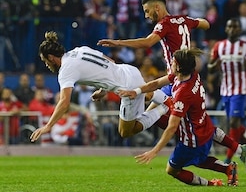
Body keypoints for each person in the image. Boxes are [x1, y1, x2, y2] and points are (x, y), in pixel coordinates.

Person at [98, 0, 246, 174]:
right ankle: (240, 149)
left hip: (177, 81)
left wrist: (117, 42)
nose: (146, 16)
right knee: (196, 122)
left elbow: (148, 43)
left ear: (158, 7)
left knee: (147, 118)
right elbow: (205, 23)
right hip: (189, 77)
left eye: (147, 11)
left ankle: (179, 134)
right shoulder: (182, 19)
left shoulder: (163, 24)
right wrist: (195, 22)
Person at [119, 48, 238, 186]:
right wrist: (137, 91)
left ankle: (213, 183)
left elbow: (171, 127)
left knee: (172, 169)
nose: (170, 63)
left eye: (173, 62)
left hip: (192, 137)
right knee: (199, 159)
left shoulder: (183, 93)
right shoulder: (190, 75)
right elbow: (156, 83)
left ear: (179, 67)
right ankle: (228, 168)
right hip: (201, 127)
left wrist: (154, 151)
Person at [29, 31, 172, 142]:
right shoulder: (79, 50)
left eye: (45, 60)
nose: (46, 64)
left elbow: (64, 102)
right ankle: (166, 99)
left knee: (126, 131)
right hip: (129, 70)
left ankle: (165, 106)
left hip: (127, 87)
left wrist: (48, 126)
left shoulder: (65, 70)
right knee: (144, 94)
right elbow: (109, 61)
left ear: (51, 57)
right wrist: (104, 90)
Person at [208, 18, 246, 165]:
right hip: (225, 89)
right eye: (230, 26)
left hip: (241, 89)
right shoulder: (219, 46)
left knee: (234, 122)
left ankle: (228, 158)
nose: (233, 29)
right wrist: (215, 65)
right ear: (226, 29)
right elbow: (209, 67)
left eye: (236, 27)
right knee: (234, 124)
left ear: (240, 30)